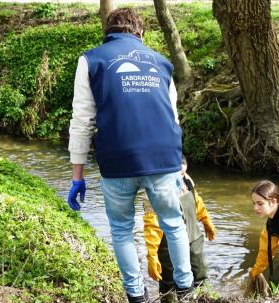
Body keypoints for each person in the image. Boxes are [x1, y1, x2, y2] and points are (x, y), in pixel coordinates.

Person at [66, 8, 193, 302]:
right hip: (164, 158)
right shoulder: (162, 62)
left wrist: (77, 176)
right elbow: (172, 117)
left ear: (108, 32)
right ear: (140, 32)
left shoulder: (91, 59)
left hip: (118, 158)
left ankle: (136, 295)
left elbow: (82, 120)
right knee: (172, 222)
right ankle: (185, 290)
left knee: (122, 229)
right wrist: (177, 165)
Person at [144, 156, 216, 303]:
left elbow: (197, 201)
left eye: (183, 168)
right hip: (167, 245)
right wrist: (152, 254)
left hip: (193, 238)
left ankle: (201, 299)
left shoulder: (188, 181)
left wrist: (206, 220)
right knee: (168, 283)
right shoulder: (154, 190)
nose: (180, 172)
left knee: (199, 276)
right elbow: (151, 224)